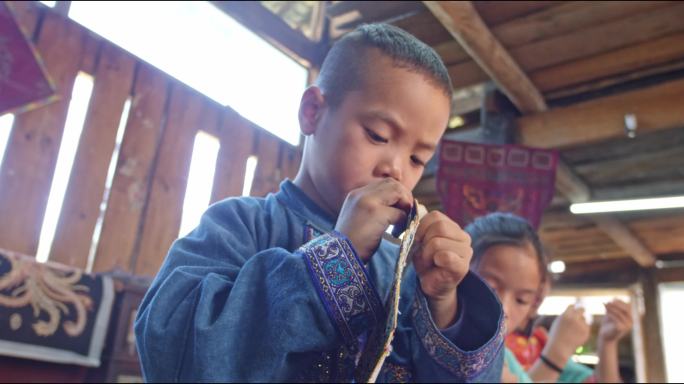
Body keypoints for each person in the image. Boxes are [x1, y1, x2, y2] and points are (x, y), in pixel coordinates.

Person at [134, 23, 504, 382]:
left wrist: (444, 304)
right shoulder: (239, 225)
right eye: (377, 135)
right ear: (313, 112)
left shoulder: (404, 273)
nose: (395, 169)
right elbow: (172, 351)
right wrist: (335, 256)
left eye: (417, 159)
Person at [466, 212, 632, 383]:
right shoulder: (451, 350)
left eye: (522, 300)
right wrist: (556, 355)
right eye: (490, 288)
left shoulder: (513, 353)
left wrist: (608, 342)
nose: (504, 308)